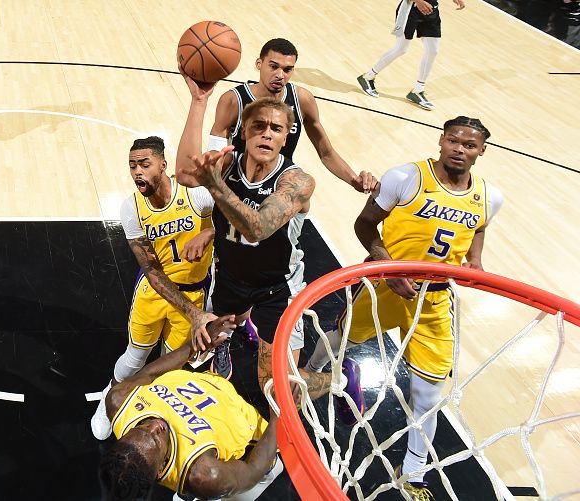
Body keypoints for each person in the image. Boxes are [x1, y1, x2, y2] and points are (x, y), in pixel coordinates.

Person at [306, 116, 503, 500]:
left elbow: (478, 227)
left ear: (481, 152)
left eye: (469, 145)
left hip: (433, 301)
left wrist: (475, 260)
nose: (460, 149)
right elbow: (364, 226)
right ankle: (309, 371)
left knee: (428, 395)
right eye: (454, 141)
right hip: (384, 288)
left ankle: (413, 470)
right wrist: (387, 264)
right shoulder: (404, 177)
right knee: (339, 338)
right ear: (442, 141)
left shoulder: (488, 196)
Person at [176, 72, 365, 426]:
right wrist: (199, 101)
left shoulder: (297, 181)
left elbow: (258, 227)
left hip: (276, 288)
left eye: (275, 129)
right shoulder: (228, 163)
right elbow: (186, 172)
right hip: (230, 274)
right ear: (243, 131)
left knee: (274, 387)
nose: (266, 133)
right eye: (258, 125)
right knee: (209, 338)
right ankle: (229, 342)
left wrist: (215, 186)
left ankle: (339, 379)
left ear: (285, 137)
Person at [209, 37, 378, 356]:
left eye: (288, 69)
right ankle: (235, 326)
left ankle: (259, 327)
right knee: (234, 271)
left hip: (278, 199)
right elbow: (214, 154)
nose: (280, 75)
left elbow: (325, 150)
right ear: (259, 64)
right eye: (273, 66)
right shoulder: (234, 100)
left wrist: (354, 179)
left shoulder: (302, 99)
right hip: (236, 190)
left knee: (268, 263)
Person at [91, 136, 220, 441]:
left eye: (144, 164)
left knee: (172, 366)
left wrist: (209, 232)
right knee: (136, 355)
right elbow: (150, 268)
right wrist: (193, 313)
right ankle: (107, 399)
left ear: (163, 165)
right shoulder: (131, 208)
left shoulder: (197, 196)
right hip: (155, 291)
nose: (137, 172)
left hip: (194, 291)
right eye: (132, 166)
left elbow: (231, 225)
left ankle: (156, 415)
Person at [98, 315, 286, 501]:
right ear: (161, 468)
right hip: (249, 426)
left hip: (209, 381)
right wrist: (279, 414)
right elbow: (252, 470)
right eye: (156, 438)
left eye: (142, 427)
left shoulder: (119, 399)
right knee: (259, 475)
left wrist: (195, 346)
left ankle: (190, 493)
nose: (155, 425)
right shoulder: (206, 473)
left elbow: (151, 372)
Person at [357, 0, 466, 110]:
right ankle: (368, 77)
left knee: (433, 51)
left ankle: (418, 90)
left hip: (431, 10)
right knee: (401, 49)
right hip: (411, 10)